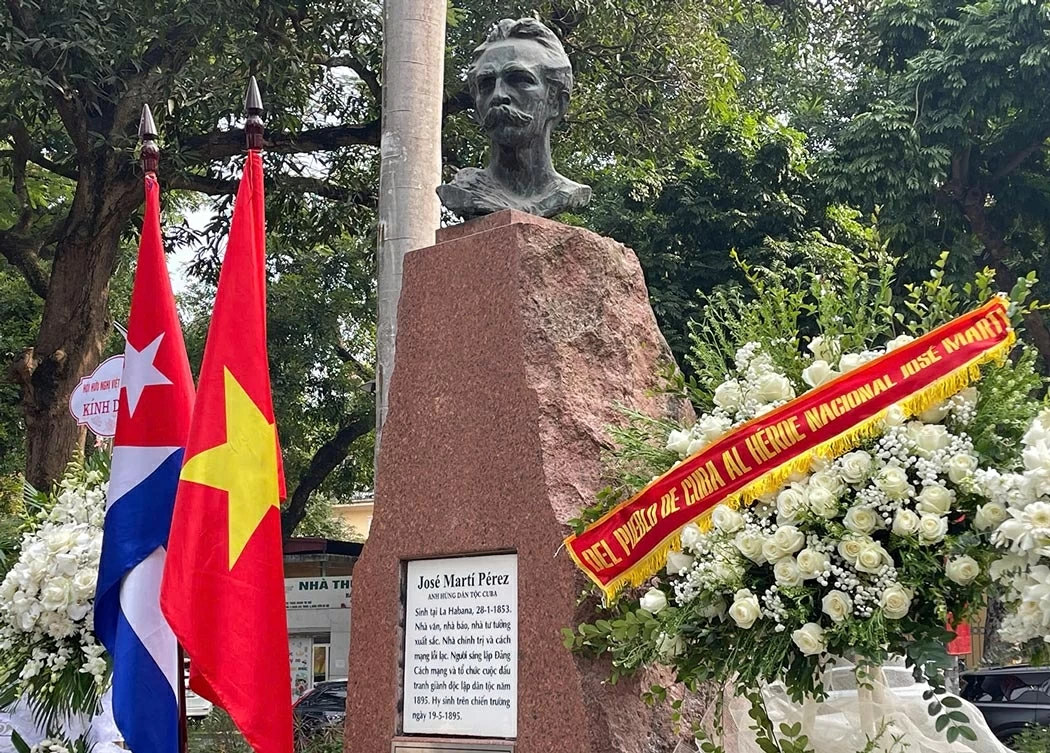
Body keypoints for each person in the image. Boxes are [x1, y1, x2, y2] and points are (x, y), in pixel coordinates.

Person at [437, 17, 591, 219]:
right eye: (486, 84)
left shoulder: (566, 192)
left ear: (556, 102)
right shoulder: (464, 191)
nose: (498, 95)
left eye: (519, 79)